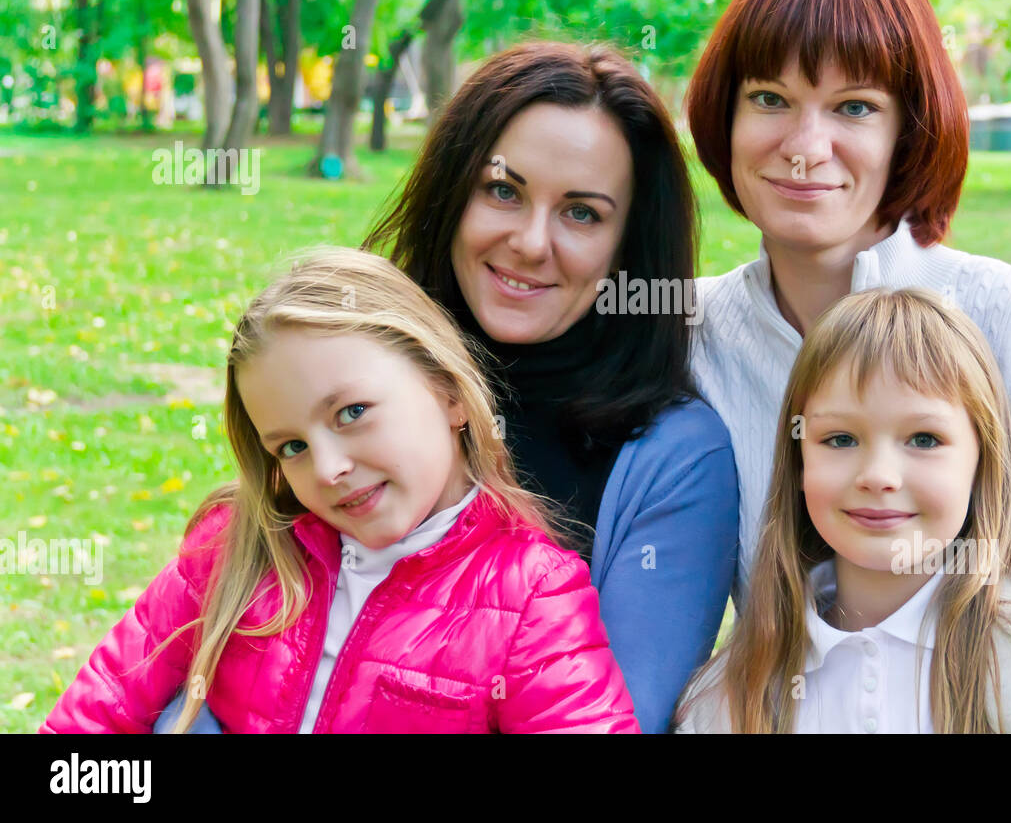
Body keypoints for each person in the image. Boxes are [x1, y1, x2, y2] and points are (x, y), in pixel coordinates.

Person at [687, 0, 1011, 615]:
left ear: (911, 129)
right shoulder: (684, 337)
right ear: (725, 114)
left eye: (854, 107)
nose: (807, 150)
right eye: (770, 98)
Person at [40, 247, 639, 734]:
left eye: (352, 412)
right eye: (291, 447)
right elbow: (88, 724)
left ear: (448, 392)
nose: (326, 469)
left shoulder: (530, 594)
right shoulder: (237, 550)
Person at [359, 41, 739, 733]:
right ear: (452, 193)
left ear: (629, 246)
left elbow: (617, 719)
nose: (532, 243)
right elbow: (230, 645)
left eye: (582, 213)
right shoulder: (354, 379)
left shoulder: (675, 460)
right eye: (503, 191)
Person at [675, 288, 1011, 733]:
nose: (878, 474)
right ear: (797, 459)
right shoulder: (728, 696)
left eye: (924, 438)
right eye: (840, 438)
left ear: (982, 459)